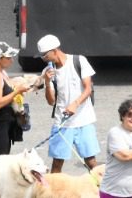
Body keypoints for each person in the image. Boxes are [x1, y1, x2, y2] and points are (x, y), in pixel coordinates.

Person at [0, 42, 41, 198]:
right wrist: (17, 91)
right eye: (9, 57)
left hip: (6, 124)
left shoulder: (2, 73)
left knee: (2, 162)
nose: (12, 60)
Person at [39, 33, 100, 172]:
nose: (43, 59)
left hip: (84, 120)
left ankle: (101, 192)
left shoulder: (78, 61)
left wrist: (75, 104)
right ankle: (53, 193)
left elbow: (88, 88)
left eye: (45, 56)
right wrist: (47, 83)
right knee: (56, 164)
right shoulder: (48, 71)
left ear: (55, 51)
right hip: (62, 122)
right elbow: (51, 101)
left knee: (91, 162)